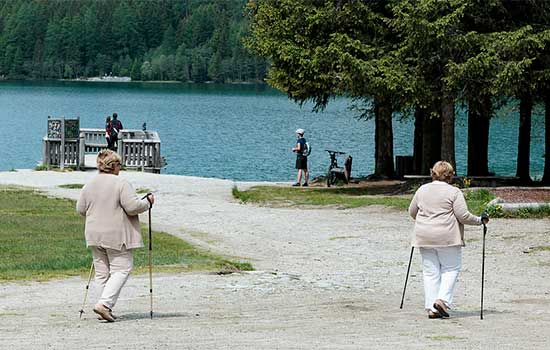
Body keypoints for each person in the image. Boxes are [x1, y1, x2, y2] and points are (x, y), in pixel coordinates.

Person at [76, 149, 154, 322]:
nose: (121, 167)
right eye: (119, 164)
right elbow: (132, 207)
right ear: (113, 166)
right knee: (122, 269)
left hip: (94, 234)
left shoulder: (89, 184)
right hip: (116, 235)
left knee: (102, 273)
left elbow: (80, 209)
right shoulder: (121, 183)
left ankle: (104, 306)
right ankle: (104, 304)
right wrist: (147, 202)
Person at [408, 161, 489, 319]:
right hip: (447, 237)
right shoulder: (454, 192)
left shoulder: (422, 190)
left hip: (424, 236)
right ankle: (442, 300)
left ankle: (432, 307)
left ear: (433, 173)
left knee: (430, 272)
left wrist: (426, 221)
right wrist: (480, 220)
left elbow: (412, 212)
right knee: (450, 268)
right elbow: (463, 216)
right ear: (450, 175)